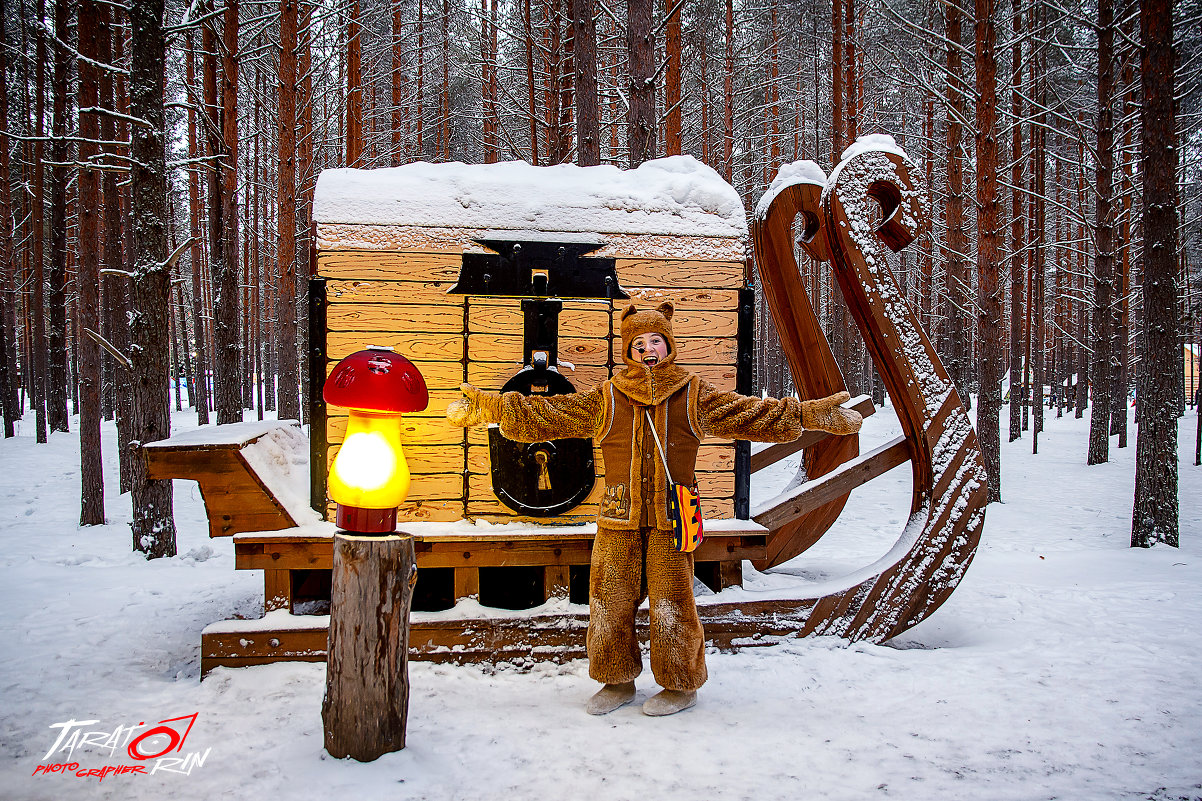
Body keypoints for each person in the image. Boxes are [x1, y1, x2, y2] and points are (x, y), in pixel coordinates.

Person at [446, 302, 862, 716]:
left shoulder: (693, 394)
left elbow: (749, 412)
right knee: (609, 602)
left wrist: (810, 413)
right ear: (628, 349)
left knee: (672, 604)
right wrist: (490, 407)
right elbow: (551, 413)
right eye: (639, 342)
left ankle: (681, 686)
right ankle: (616, 680)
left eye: (657, 341)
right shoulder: (608, 397)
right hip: (618, 518)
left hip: (670, 519)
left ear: (670, 346)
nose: (648, 349)